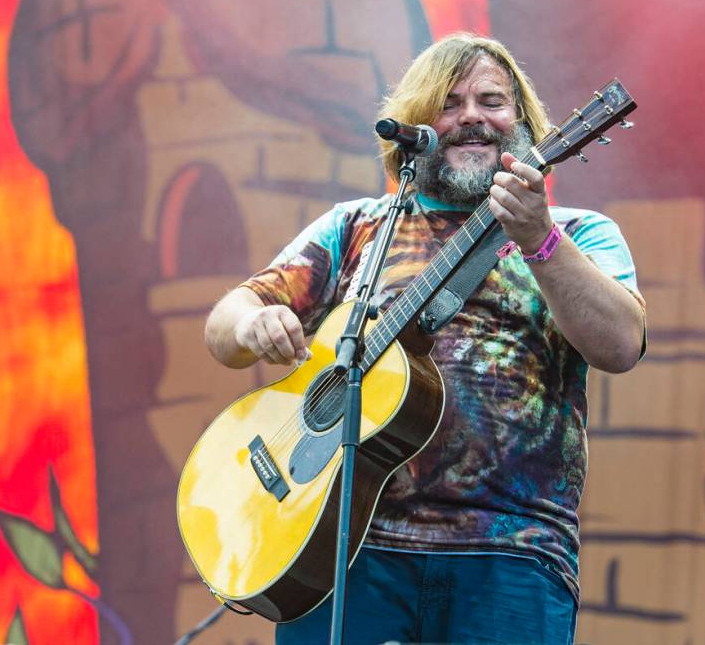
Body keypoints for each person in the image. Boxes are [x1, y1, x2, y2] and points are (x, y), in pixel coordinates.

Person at [204, 33, 646, 644]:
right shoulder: (357, 228)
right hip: (344, 551)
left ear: (522, 121)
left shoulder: (578, 233)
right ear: (415, 124)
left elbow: (621, 344)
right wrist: (253, 322)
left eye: (492, 100)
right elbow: (225, 324)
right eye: (449, 100)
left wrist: (540, 239)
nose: (471, 116)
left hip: (511, 553)